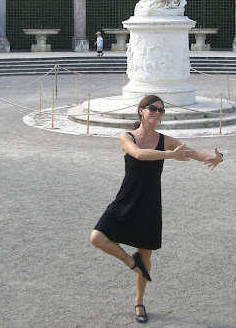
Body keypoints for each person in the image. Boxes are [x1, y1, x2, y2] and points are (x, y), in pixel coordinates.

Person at [90, 94, 223, 323]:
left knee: (146, 255)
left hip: (150, 202)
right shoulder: (126, 136)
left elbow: (194, 154)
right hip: (126, 198)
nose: (157, 113)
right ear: (141, 110)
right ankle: (131, 262)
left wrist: (217, 157)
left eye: (161, 110)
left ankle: (139, 301)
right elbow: (139, 154)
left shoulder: (165, 140)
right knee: (97, 238)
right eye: (153, 108)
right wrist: (170, 156)